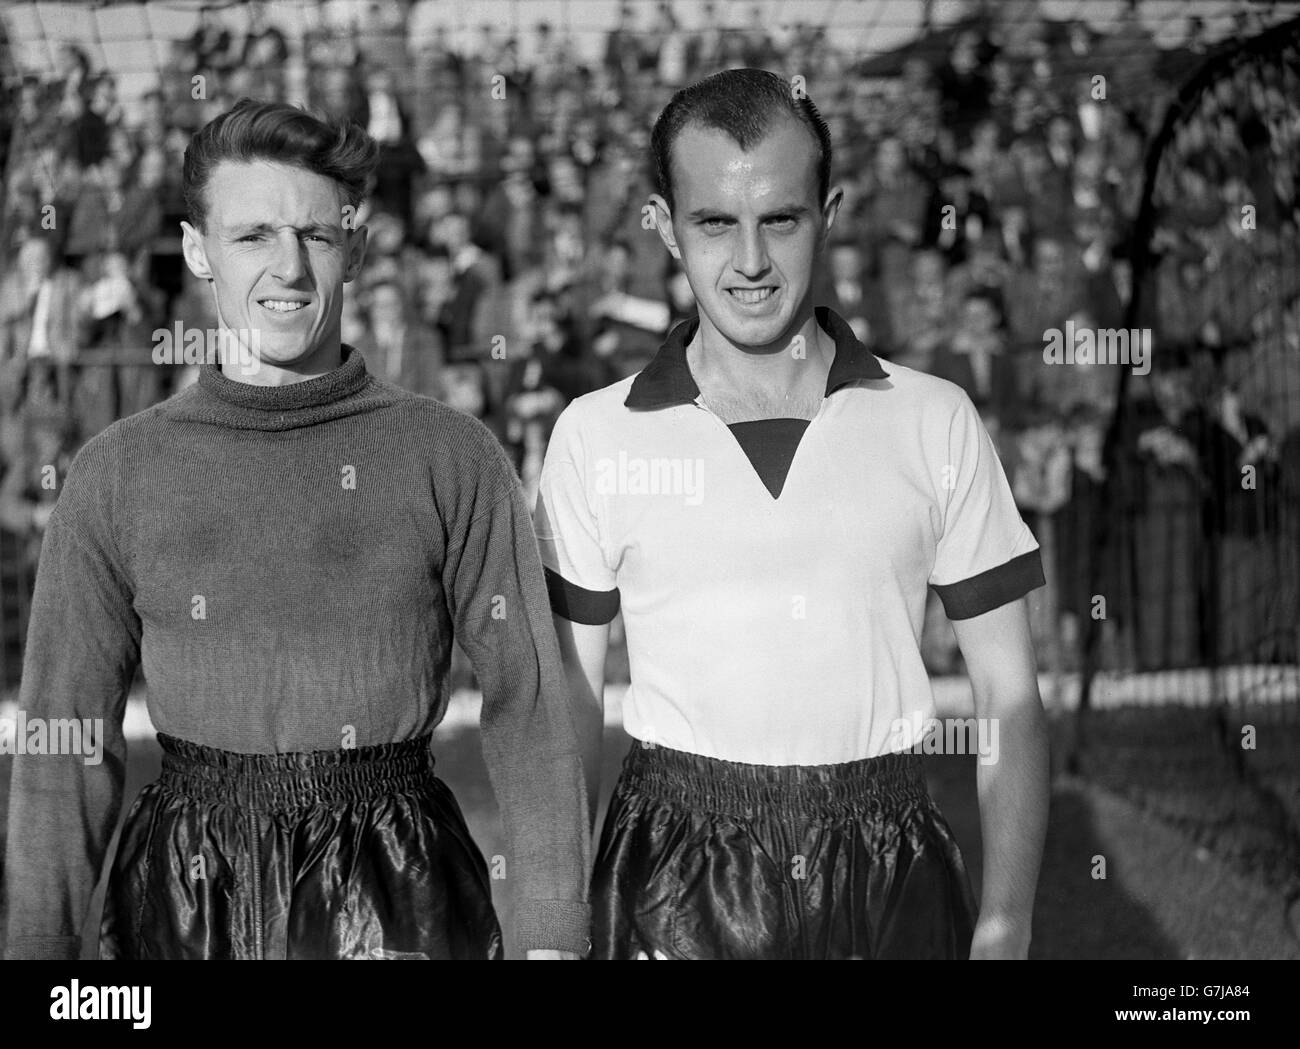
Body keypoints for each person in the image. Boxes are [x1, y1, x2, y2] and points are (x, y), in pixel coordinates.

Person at [4, 99, 589, 961]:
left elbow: (529, 706)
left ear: (354, 245)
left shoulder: (452, 454)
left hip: (401, 886)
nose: (289, 267)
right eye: (253, 236)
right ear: (197, 249)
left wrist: (551, 936)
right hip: (186, 895)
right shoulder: (116, 472)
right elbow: (64, 737)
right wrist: (36, 949)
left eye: (316, 235)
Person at [536, 69, 1049, 960]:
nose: (749, 261)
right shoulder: (594, 434)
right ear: (662, 224)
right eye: (713, 223)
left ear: (830, 211)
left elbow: (1008, 695)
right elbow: (570, 704)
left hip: (889, 862)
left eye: (780, 218)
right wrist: (552, 929)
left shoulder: (934, 418)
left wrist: (1005, 922)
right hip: (672, 876)